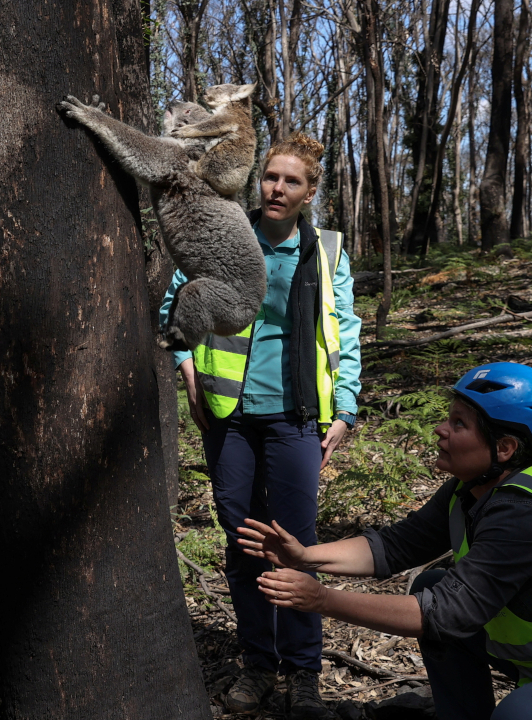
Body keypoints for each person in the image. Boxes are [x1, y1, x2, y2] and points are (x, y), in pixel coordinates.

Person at [237, 363, 532, 720]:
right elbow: (397, 546)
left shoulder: (525, 516)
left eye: (459, 424)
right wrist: (306, 556)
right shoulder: (473, 488)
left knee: (522, 714)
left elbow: (444, 615)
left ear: (504, 448)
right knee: (435, 580)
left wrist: (321, 599)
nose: (440, 431)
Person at [160, 133, 362, 719]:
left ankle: (303, 672)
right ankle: (257, 665)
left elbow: (344, 331)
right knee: (243, 542)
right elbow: (180, 297)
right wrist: (187, 370)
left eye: (290, 181)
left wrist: (345, 409)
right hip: (230, 417)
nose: (276, 188)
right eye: (270, 177)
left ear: (309, 192)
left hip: (297, 417)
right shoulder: (226, 234)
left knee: (296, 547)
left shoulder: (325, 251)